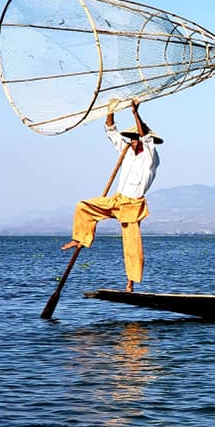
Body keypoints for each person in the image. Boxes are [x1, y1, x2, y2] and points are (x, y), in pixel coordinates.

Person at [61, 99, 162, 292]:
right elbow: (111, 131)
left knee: (132, 245)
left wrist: (135, 112)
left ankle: (131, 282)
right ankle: (80, 238)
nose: (132, 141)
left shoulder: (150, 157)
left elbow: (145, 137)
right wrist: (111, 110)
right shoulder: (128, 152)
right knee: (83, 206)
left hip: (132, 206)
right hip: (117, 200)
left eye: (135, 138)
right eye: (131, 138)